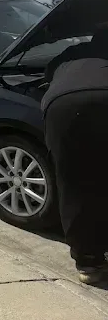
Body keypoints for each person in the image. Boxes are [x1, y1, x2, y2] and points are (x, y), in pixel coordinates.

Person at [42, 26, 108, 284]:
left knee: (74, 185)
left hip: (63, 106)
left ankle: (89, 262)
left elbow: (49, 74)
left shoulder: (74, 52)